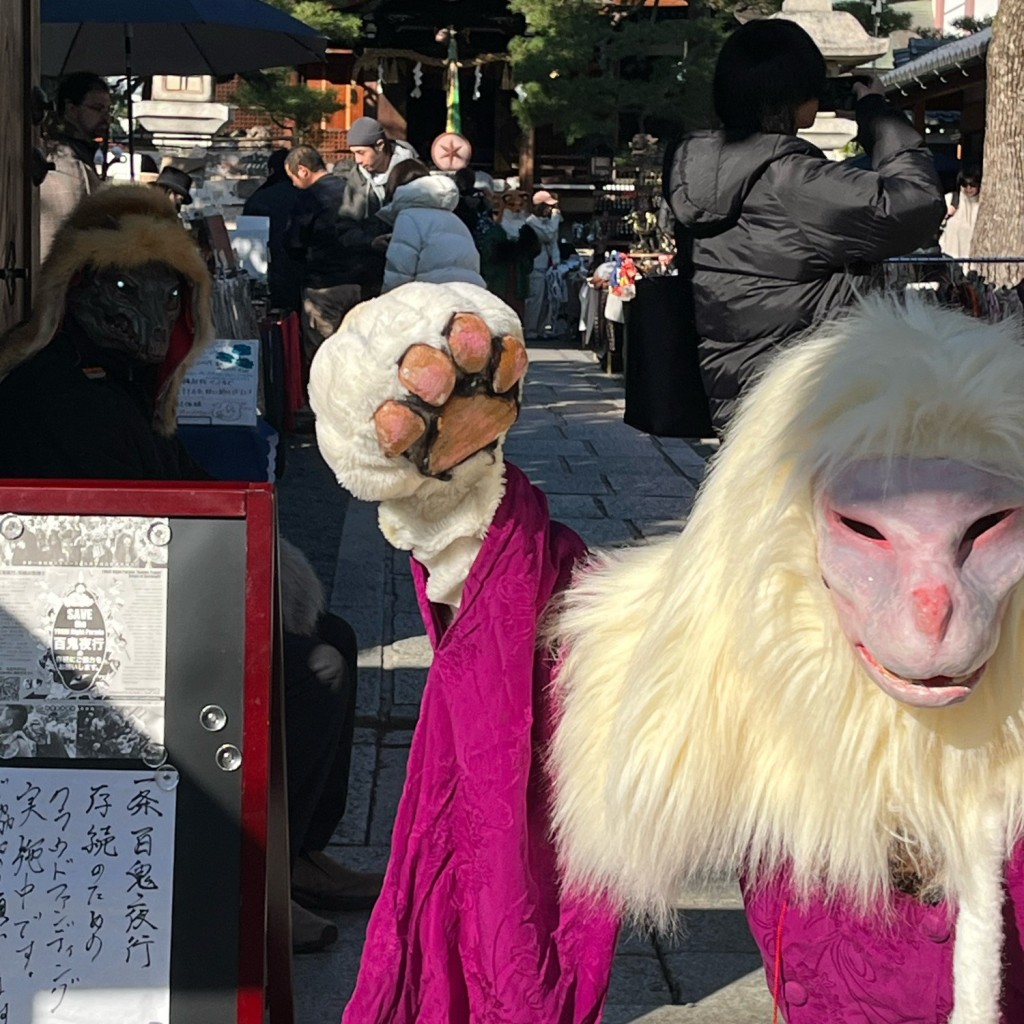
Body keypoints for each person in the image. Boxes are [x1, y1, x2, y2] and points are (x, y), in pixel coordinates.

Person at [0, 184, 381, 953]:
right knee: (318, 667)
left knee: (333, 637)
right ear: (76, 290)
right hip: (86, 622)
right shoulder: (61, 394)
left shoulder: (121, 387)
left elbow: (191, 485)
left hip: (143, 586)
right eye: (123, 288)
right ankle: (261, 873)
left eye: (167, 293)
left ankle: (298, 849)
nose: (149, 312)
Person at [664, 18, 945, 433]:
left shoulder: (694, 168)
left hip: (733, 385)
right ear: (794, 96)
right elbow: (917, 204)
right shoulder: (791, 181)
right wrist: (879, 117)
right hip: (802, 393)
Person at [282, 145, 360, 362]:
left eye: (293, 177)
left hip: (323, 286)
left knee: (322, 356)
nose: (294, 184)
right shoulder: (351, 189)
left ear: (304, 171)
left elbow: (293, 243)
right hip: (357, 283)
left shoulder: (309, 198)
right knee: (355, 351)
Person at [377, 159, 485, 293]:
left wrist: (388, 303)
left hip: (430, 298)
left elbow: (399, 274)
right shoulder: (454, 219)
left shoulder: (408, 217)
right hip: (469, 296)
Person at [40, 71, 111, 261]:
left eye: (108, 110)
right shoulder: (60, 158)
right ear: (71, 109)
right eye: (97, 109)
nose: (106, 118)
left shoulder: (80, 153)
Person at [242, 149, 304, 313]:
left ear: (271, 171)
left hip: (271, 273)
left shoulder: (258, 199)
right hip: (305, 275)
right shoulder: (305, 194)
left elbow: (247, 242)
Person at [478, 189, 541, 320]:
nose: (516, 210)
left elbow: (535, 249)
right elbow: (489, 253)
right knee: (499, 308)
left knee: (517, 310)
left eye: (520, 205)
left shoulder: (527, 230)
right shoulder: (497, 230)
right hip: (501, 276)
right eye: (512, 205)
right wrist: (507, 250)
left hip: (519, 275)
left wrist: (525, 247)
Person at [523, 189, 564, 339]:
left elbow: (553, 240)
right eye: (547, 206)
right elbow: (548, 235)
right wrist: (554, 218)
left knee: (547, 300)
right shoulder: (531, 222)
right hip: (536, 266)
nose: (550, 209)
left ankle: (541, 329)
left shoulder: (545, 221)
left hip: (548, 267)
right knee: (535, 299)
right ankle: (530, 330)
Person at [941, 165, 982, 261]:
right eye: (964, 184)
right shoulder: (949, 200)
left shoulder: (983, 205)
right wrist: (947, 215)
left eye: (973, 185)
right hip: (951, 258)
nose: (968, 188)